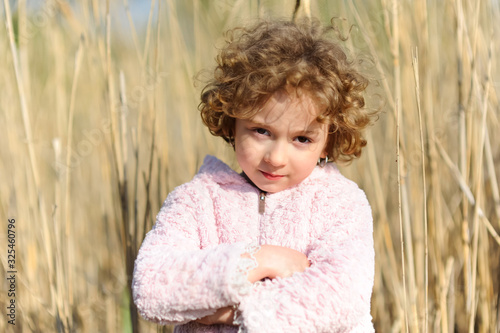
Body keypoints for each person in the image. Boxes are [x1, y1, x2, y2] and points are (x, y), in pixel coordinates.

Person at [133, 17, 377, 333]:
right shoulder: (197, 200)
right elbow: (153, 286)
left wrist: (228, 310)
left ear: (328, 139)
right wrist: (260, 260)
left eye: (302, 139)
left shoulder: (341, 205)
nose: (276, 157)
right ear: (231, 120)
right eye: (261, 131)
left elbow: (339, 299)